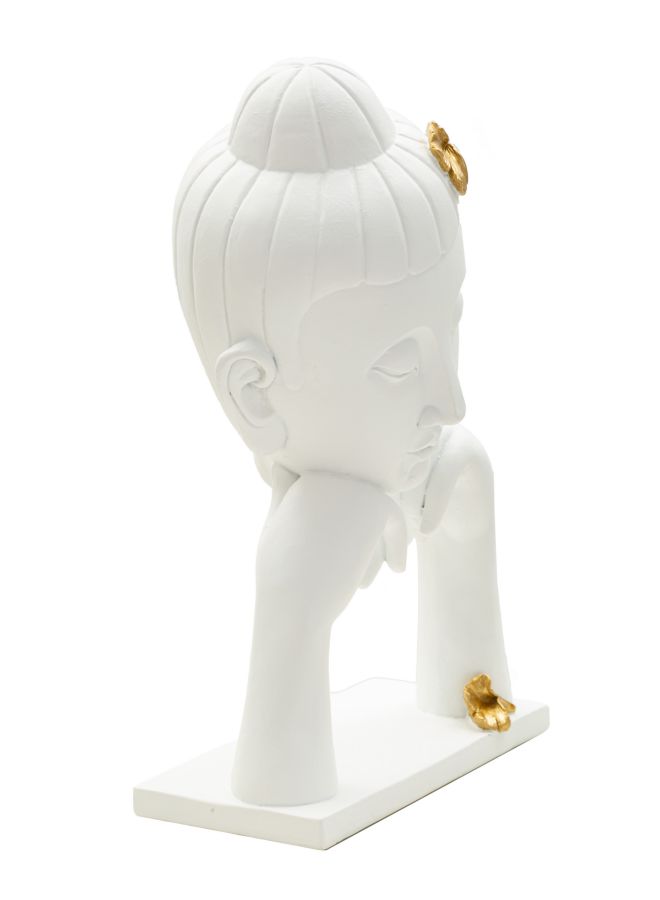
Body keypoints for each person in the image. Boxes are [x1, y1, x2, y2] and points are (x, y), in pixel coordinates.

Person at [173, 58, 511, 806]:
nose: (452, 403)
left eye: (452, 325)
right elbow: (277, 808)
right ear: (254, 396)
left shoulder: (447, 453)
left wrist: (465, 542)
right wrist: (289, 623)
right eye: (398, 365)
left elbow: (471, 706)